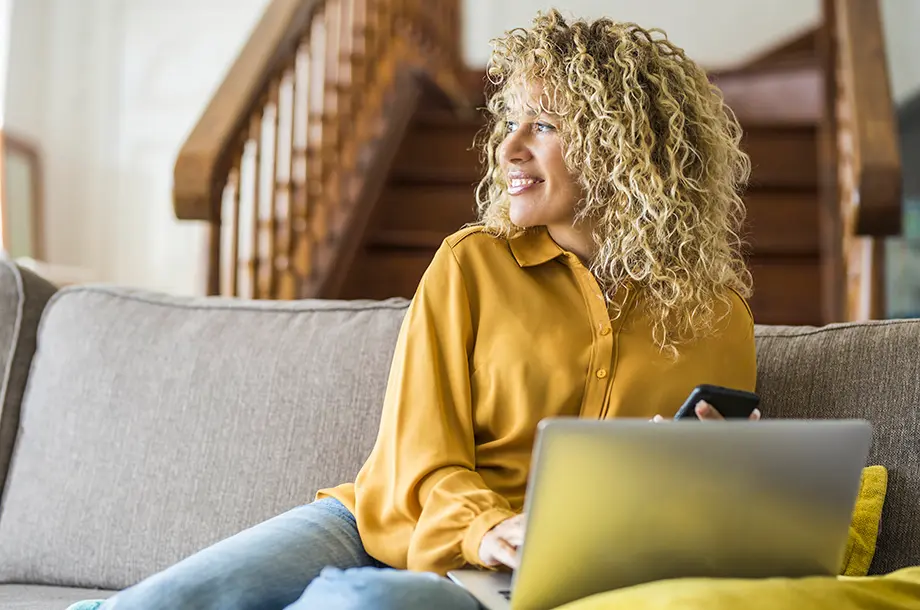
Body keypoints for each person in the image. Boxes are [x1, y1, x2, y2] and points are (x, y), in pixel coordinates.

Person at [68, 9, 759, 610]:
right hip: (379, 520)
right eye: (510, 120)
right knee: (164, 602)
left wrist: (728, 470)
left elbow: (692, 517)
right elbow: (419, 458)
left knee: (366, 604)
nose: (509, 148)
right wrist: (487, 524)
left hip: (514, 572)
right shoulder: (473, 265)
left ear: (624, 148)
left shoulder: (717, 318)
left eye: (543, 124)